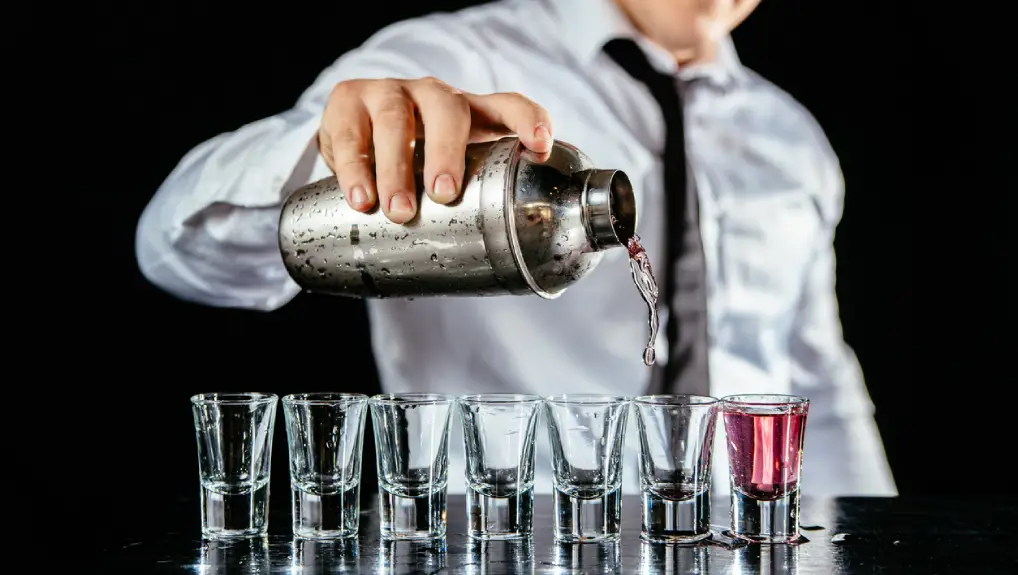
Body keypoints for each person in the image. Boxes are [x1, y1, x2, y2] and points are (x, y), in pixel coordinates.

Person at [136, 0, 896, 496]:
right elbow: (174, 248)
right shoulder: (457, 58)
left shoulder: (790, 137)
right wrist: (329, 156)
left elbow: (815, 382)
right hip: (498, 539)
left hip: (739, 542)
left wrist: (873, 542)